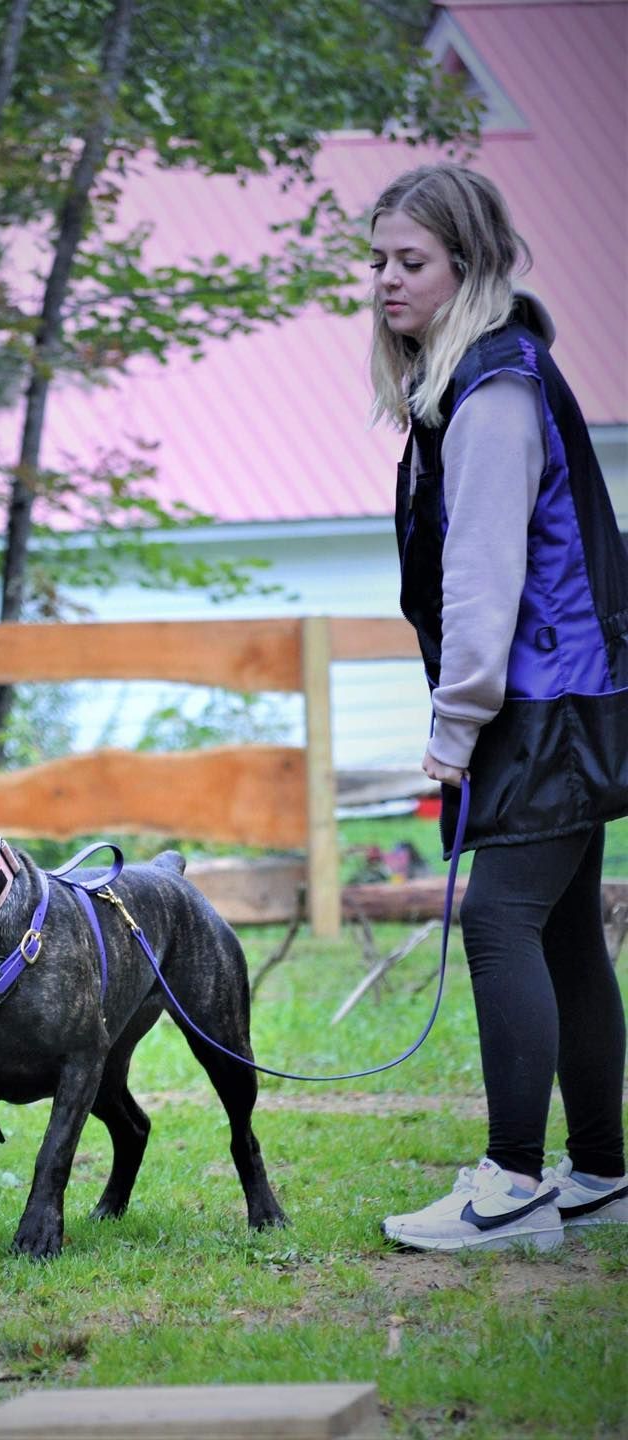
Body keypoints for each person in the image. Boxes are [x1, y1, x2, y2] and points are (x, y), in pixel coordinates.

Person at [368, 163, 628, 1252]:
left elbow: (483, 582)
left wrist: (450, 734)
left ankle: (512, 1184)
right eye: (376, 260)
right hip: (563, 702)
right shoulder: (468, 384)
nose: (384, 282)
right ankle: (603, 1178)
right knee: (563, 927)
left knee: (497, 918)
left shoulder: (493, 391)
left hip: (545, 706)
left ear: (464, 267)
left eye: (408, 262)